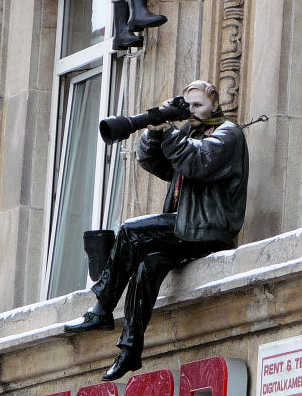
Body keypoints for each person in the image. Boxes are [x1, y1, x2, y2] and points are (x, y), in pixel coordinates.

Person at [64, 80, 248, 380]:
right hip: (187, 227)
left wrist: (171, 132)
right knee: (147, 266)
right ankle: (129, 351)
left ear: (214, 104)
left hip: (208, 228)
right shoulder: (189, 134)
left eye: (198, 105)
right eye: (187, 105)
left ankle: (102, 308)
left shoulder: (229, 134)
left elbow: (198, 163)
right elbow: (154, 163)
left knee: (130, 231)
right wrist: (153, 129)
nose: (192, 111)